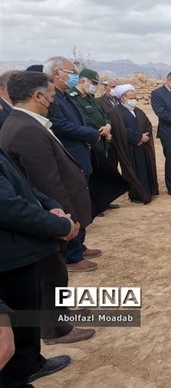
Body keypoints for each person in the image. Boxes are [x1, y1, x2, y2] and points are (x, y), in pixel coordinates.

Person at [0, 74, 94, 386]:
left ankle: (32, 361)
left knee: (43, 289)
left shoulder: (20, 123)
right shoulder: (25, 128)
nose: (55, 100)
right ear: (40, 96)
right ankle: (57, 330)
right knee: (50, 281)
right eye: (52, 94)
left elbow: (25, 185)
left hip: (39, 225)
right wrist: (63, 219)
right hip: (31, 237)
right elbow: (43, 181)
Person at [43, 56, 102, 271]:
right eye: (71, 71)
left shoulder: (65, 96)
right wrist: (90, 133)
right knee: (73, 203)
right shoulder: (53, 98)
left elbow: (78, 120)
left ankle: (80, 245)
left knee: (81, 201)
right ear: (57, 73)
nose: (74, 75)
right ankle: (73, 256)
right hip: (70, 155)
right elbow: (60, 125)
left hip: (79, 155)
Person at [68, 68, 127, 213]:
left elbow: (104, 116)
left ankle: (103, 201)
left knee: (100, 172)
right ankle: (92, 205)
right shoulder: (72, 98)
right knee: (90, 174)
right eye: (93, 83)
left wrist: (107, 126)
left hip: (102, 141)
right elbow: (81, 121)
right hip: (89, 142)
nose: (95, 86)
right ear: (83, 81)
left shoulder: (91, 98)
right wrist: (97, 133)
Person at [108, 84, 159, 203]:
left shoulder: (138, 111)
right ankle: (137, 195)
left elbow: (148, 124)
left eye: (135, 98)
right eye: (131, 98)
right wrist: (138, 138)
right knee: (134, 170)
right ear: (123, 98)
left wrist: (146, 136)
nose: (133, 100)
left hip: (143, 146)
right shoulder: (115, 112)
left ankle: (149, 191)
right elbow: (120, 129)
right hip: (129, 147)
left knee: (145, 169)